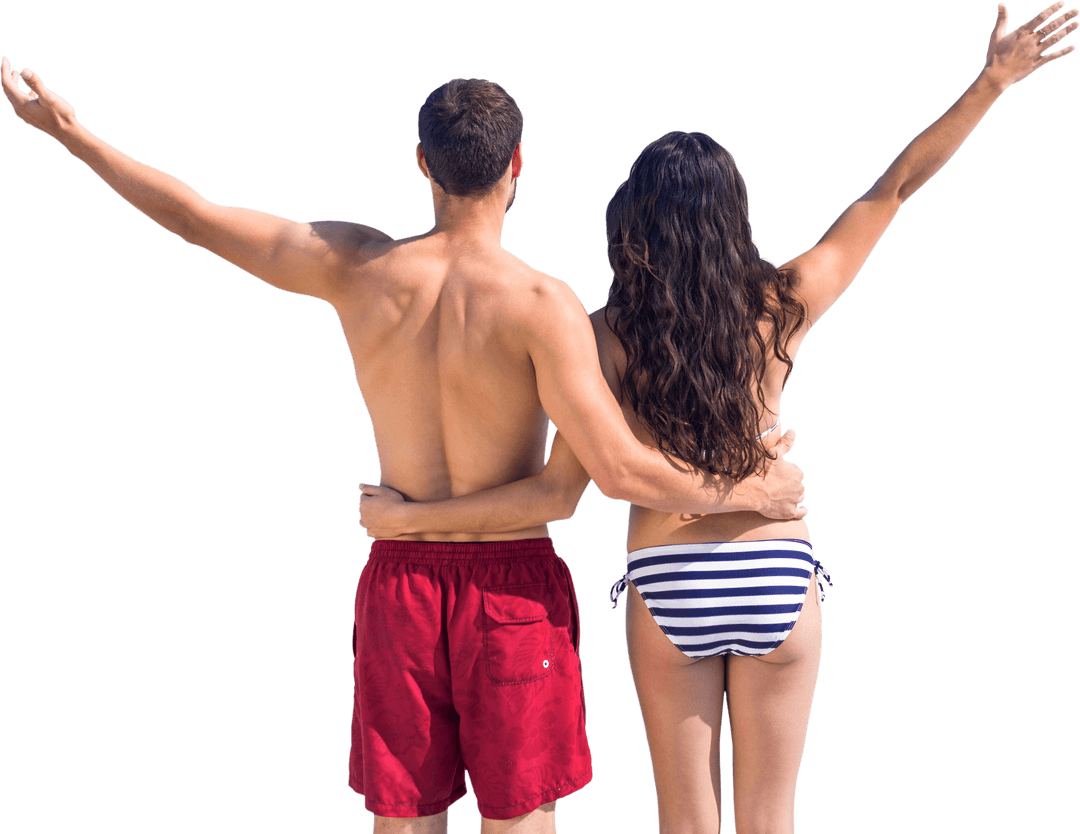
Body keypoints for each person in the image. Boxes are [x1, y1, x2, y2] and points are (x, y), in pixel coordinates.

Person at [1, 68, 810, 833]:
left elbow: (196, 216)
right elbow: (608, 476)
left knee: (403, 819)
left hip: (402, 582)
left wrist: (73, 135)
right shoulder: (542, 304)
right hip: (512, 591)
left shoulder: (355, 269)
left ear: (422, 161)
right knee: (523, 818)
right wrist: (752, 496)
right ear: (519, 165)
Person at [356, 5, 1077, 832]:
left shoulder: (604, 332)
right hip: (776, 570)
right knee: (771, 819)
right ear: (736, 211)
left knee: (684, 820)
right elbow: (896, 187)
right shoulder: (784, 304)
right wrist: (989, 84)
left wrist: (418, 517)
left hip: (669, 582)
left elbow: (568, 482)